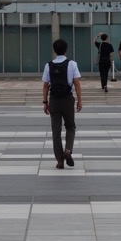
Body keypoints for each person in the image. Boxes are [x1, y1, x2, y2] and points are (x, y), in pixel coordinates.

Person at [42, 39, 82, 169]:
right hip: (67, 99)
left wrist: (45, 102)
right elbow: (76, 82)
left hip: (54, 100)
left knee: (56, 130)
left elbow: (45, 85)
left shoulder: (49, 65)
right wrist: (80, 100)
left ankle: (59, 160)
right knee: (70, 126)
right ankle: (68, 150)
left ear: (54, 50)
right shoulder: (72, 64)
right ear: (66, 50)